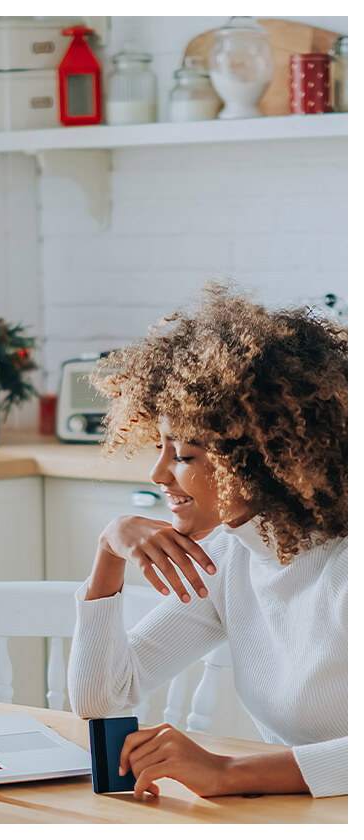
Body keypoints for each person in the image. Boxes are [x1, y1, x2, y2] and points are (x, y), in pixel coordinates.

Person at [67, 282, 347, 800]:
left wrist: (229, 773)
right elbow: (104, 698)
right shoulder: (230, 557)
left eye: (184, 455)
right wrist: (107, 556)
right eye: (161, 447)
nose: (158, 473)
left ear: (260, 459)